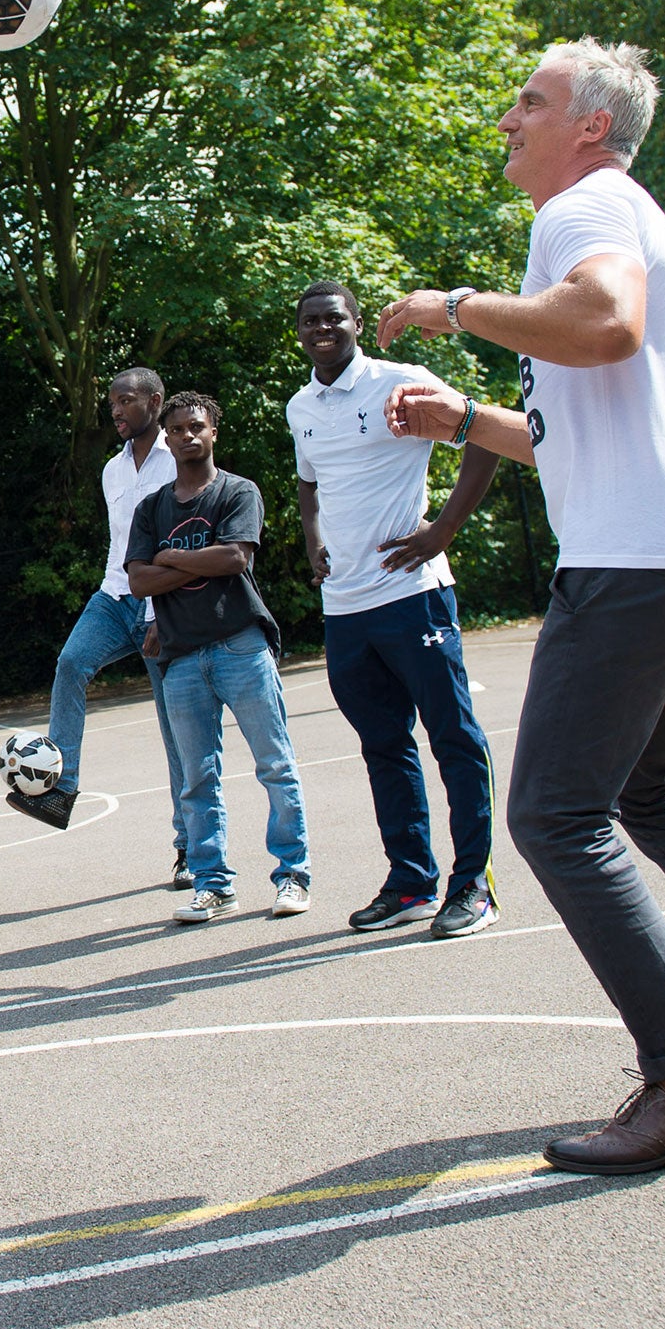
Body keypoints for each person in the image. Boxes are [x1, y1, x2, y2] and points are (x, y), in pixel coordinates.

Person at [378, 38, 665, 1176]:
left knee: (552, 817)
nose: (505, 120)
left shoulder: (580, 212)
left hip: (632, 571)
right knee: (649, 790)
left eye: (527, 102)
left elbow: (601, 325)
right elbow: (568, 434)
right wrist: (464, 421)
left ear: (587, 125)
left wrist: (453, 307)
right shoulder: (618, 213)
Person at [288, 280, 502, 940]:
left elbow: (486, 438)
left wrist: (441, 532)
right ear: (299, 334)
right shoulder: (302, 406)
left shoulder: (400, 381)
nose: (322, 328)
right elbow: (308, 484)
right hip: (345, 607)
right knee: (384, 745)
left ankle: (475, 885)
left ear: (356, 323)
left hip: (414, 596)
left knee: (453, 739)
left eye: (334, 318)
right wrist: (312, 540)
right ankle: (411, 882)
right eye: (310, 322)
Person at [126, 392, 311, 923]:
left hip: (240, 644)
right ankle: (213, 884)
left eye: (196, 427)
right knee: (196, 779)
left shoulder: (238, 491)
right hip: (181, 656)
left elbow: (235, 556)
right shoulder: (152, 507)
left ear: (213, 433)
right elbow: (139, 581)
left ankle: (293, 876)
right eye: (177, 429)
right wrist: (188, 564)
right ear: (166, 437)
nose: (187, 436)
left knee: (274, 764)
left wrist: (170, 558)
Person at [9, 367, 190, 888]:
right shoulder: (113, 469)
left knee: (174, 729)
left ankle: (189, 848)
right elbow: (122, 545)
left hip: (165, 602)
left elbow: (177, 539)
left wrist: (156, 613)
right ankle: (60, 789)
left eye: (125, 401)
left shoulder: (177, 458)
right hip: (115, 595)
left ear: (155, 402)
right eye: (111, 402)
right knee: (70, 663)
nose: (114, 410)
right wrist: (121, 593)